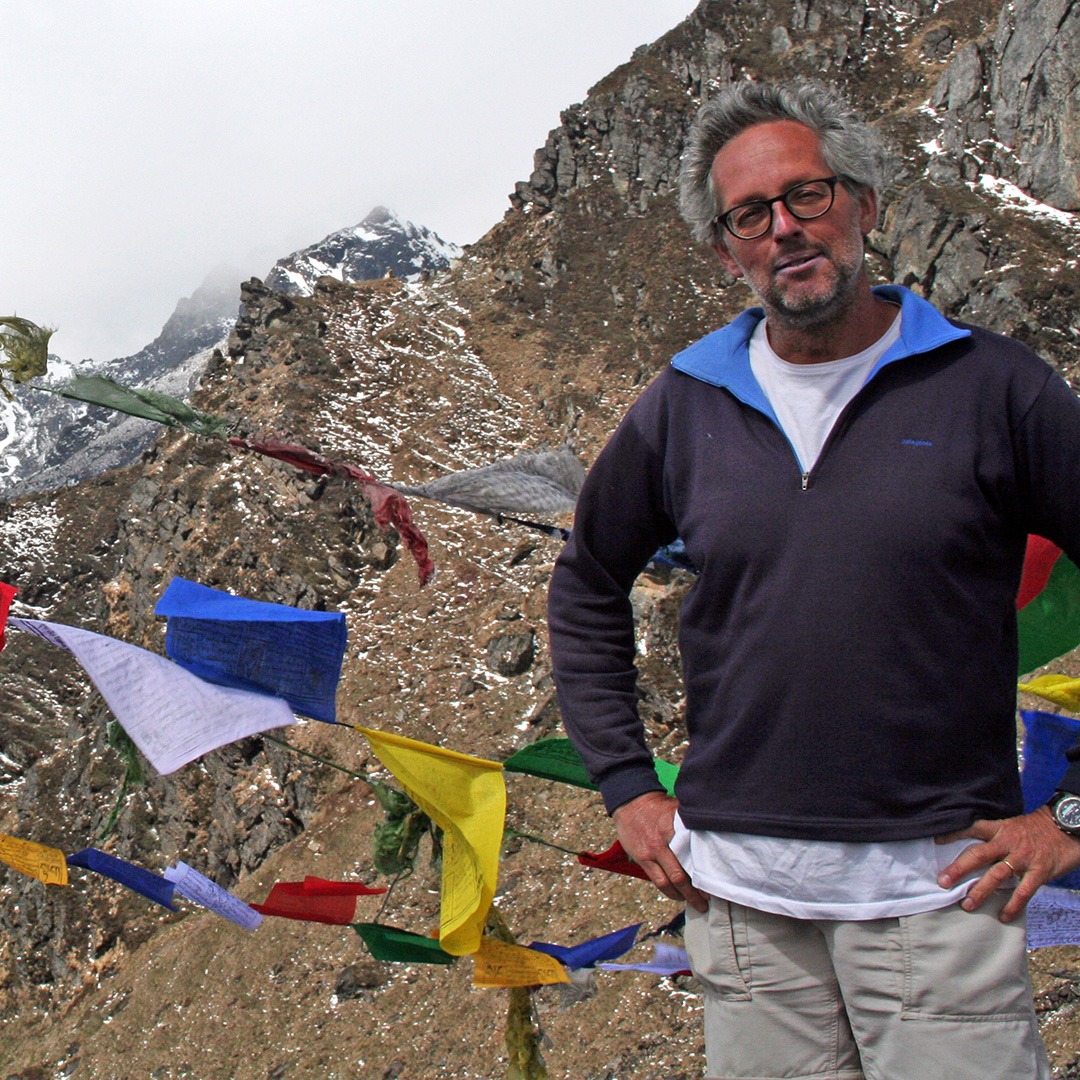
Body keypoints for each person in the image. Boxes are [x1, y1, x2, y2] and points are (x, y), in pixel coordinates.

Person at [547, 79, 1080, 1080]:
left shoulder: (994, 388)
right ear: (725, 249)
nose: (786, 230)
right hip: (744, 916)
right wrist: (624, 783)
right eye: (750, 214)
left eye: (809, 196)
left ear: (866, 205)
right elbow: (585, 585)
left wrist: (1071, 817)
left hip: (940, 900)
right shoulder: (685, 403)